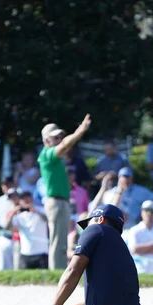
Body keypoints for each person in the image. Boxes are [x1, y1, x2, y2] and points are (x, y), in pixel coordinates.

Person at [38, 115, 91, 270]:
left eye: (60, 136)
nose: (60, 139)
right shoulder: (47, 155)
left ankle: (59, 271)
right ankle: (56, 272)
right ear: (46, 141)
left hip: (61, 202)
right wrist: (80, 131)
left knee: (61, 241)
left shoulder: (53, 157)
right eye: (55, 137)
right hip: (56, 202)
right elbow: (66, 145)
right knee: (57, 241)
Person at [4, 191, 49, 269]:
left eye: (28, 198)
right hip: (25, 253)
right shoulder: (18, 215)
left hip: (42, 253)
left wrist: (36, 211)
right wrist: (12, 214)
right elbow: (7, 228)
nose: (26, 201)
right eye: (24, 199)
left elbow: (47, 220)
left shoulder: (40, 209)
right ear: (20, 201)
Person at [127, 200, 153, 274]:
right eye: (146, 210)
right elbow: (134, 249)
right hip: (141, 271)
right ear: (141, 212)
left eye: (152, 211)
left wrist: (142, 249)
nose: (149, 213)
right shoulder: (134, 230)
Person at [0, 179, 21, 271]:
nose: (5, 187)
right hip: (4, 236)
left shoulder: (24, 199)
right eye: (4, 185)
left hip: (20, 239)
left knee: (17, 268)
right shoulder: (0, 200)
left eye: (8, 184)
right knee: (1, 267)